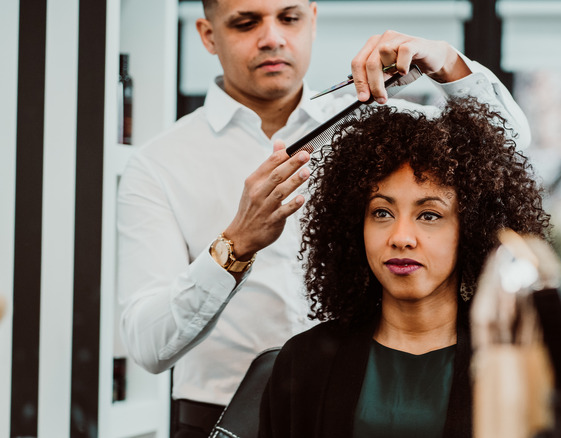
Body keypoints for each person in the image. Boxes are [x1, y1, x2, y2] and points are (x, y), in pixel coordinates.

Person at [116, 0, 532, 435]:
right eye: (246, 22)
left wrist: (448, 63)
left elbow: (507, 159)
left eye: (289, 18)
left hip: (355, 397)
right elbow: (149, 346)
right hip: (220, 418)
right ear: (207, 34)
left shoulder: (375, 124)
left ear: (312, 21)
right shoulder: (159, 164)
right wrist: (235, 246)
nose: (273, 37)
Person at [258, 97, 550, 437]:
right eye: (382, 212)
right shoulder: (305, 361)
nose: (401, 237)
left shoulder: (515, 365)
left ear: (470, 229)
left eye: (429, 215)